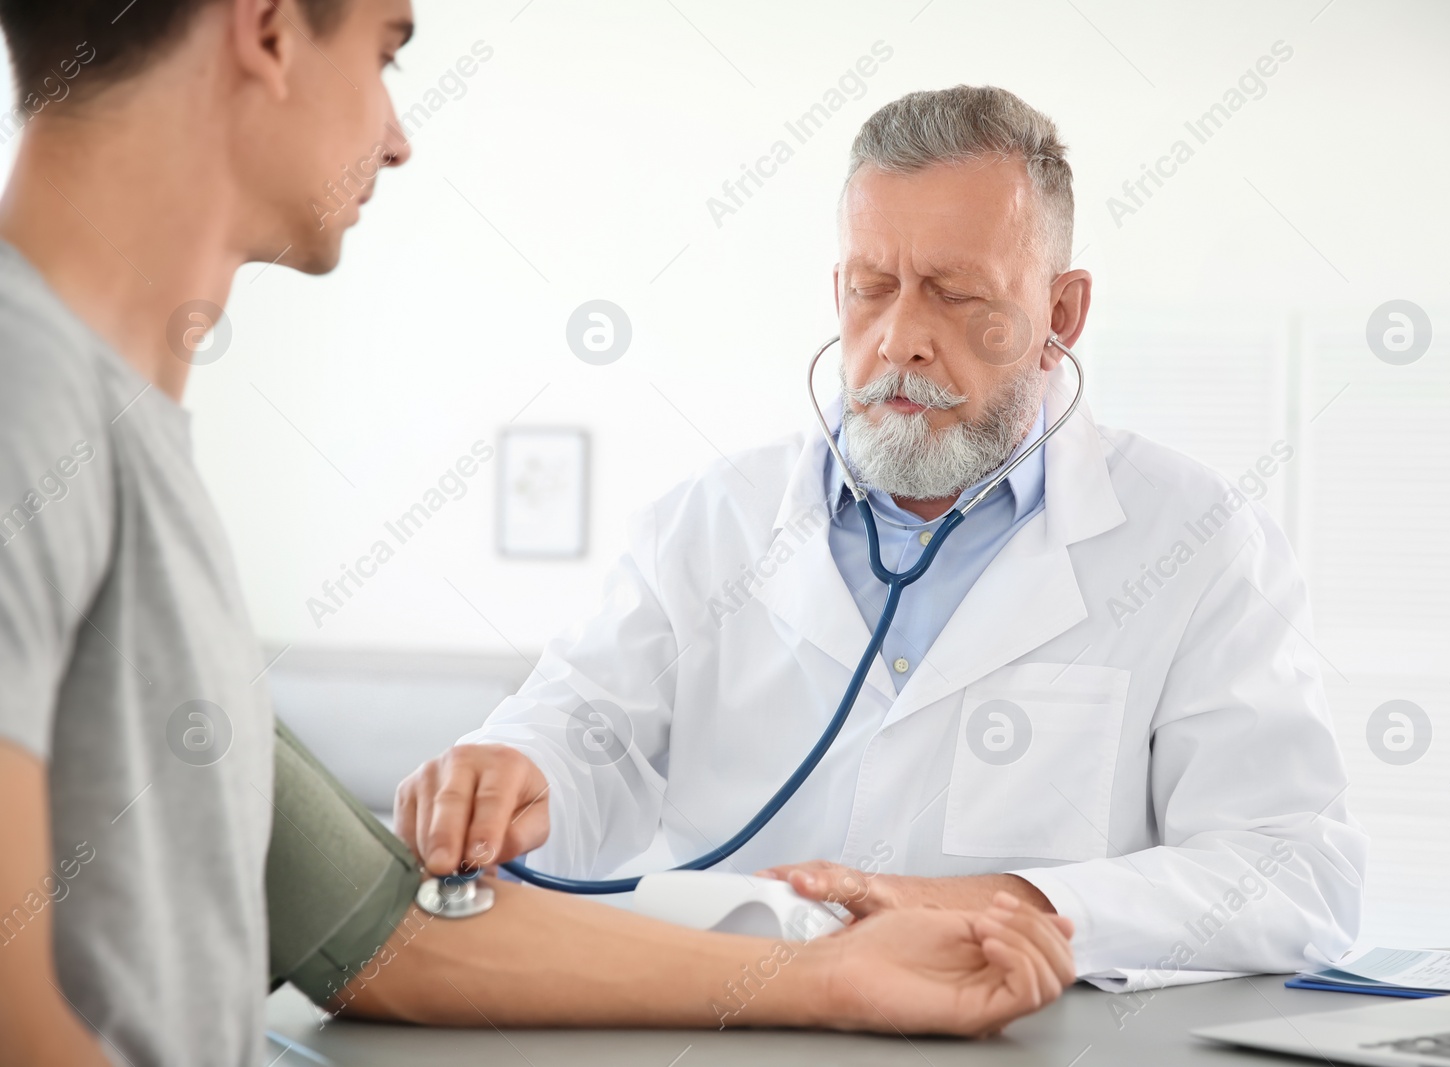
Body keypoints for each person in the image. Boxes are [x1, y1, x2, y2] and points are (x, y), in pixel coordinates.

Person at [0, 4, 1074, 1064]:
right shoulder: (25, 402)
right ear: (269, 30)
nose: (398, 133)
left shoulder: (109, 436)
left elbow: (389, 934)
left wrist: (833, 976)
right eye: (386, 51)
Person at [401, 85, 1369, 984]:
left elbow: (1291, 872)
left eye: (955, 294)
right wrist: (514, 772)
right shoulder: (707, 525)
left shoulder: (1196, 542)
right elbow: (579, 736)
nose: (902, 335)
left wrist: (1007, 905)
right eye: (873, 285)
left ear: (1059, 314)